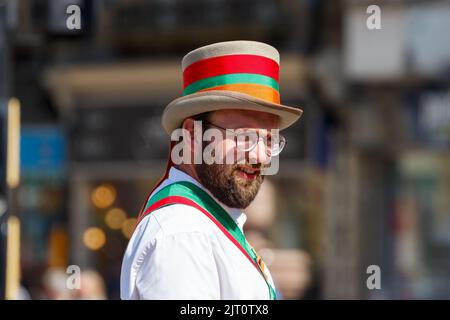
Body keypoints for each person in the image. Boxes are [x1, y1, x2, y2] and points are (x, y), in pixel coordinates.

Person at [120, 40, 303, 299]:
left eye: (269, 140)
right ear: (192, 136)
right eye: (244, 136)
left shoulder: (201, 226)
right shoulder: (184, 234)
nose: (261, 156)